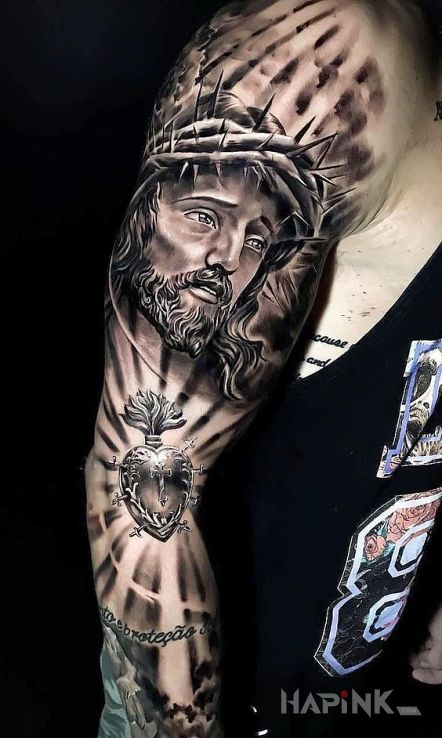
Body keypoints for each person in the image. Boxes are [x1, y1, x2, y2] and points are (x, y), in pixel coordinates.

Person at [84, 0, 442, 736]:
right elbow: (142, 489)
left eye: (255, 240)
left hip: (364, 680)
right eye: (204, 217)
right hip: (235, 692)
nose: (228, 258)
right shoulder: (312, 65)